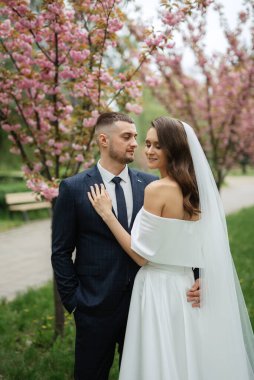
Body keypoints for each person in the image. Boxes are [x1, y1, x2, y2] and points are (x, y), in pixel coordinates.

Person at [88, 117, 254, 380]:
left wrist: (108, 215)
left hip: (158, 289)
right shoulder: (197, 192)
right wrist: (205, 280)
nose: (149, 151)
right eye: (148, 143)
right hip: (187, 287)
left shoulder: (157, 190)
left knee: (159, 360)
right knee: (187, 357)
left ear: (174, 149)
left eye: (158, 146)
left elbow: (141, 256)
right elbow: (206, 247)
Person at [51, 112, 201, 380]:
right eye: (127, 137)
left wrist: (200, 277)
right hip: (96, 307)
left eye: (136, 137)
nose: (135, 143)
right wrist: (75, 302)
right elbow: (61, 252)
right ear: (103, 140)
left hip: (148, 305)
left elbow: (179, 238)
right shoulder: (73, 189)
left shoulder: (153, 184)